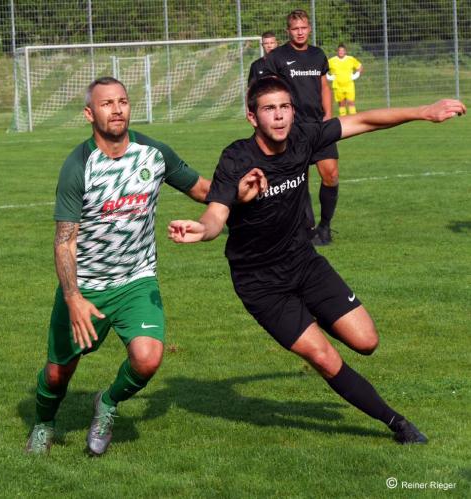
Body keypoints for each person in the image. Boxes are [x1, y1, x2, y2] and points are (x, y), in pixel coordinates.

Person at [168, 76, 466, 445]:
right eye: (268, 109)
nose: (278, 117)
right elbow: (216, 213)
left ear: (293, 111)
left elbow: (364, 121)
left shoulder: (303, 138)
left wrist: (423, 112)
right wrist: (201, 229)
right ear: (252, 117)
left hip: (304, 263)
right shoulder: (237, 158)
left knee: (366, 341)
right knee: (323, 358)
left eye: (284, 107)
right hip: (261, 283)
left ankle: (315, 321)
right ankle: (397, 424)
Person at [25, 76, 263, 456]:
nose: (117, 109)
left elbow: (202, 190)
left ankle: (107, 402)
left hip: (137, 280)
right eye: (106, 103)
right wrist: (72, 297)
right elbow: (64, 241)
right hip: (86, 287)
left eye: (122, 101)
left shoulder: (154, 153)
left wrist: (239, 193)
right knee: (57, 373)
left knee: (148, 359)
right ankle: (44, 423)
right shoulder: (78, 166)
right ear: (90, 113)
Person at [265, 9, 337, 246]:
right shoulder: (277, 57)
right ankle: (307, 228)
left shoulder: (318, 55)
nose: (300, 32)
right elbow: (271, 90)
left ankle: (325, 227)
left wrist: (328, 116)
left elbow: (324, 86)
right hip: (293, 129)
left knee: (331, 175)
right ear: (288, 31)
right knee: (299, 180)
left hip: (319, 126)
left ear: (309, 28)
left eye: (303, 27)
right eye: (295, 29)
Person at [327, 43, 363, 116]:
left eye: (342, 51)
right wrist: (328, 76)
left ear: (345, 51)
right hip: (338, 86)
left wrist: (356, 74)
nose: (341, 52)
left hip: (349, 85)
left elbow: (360, 67)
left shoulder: (350, 59)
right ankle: (343, 119)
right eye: (339, 51)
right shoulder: (332, 61)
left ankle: (353, 118)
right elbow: (322, 69)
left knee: (351, 102)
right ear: (337, 51)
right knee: (341, 103)